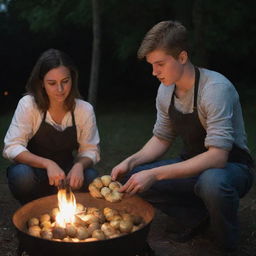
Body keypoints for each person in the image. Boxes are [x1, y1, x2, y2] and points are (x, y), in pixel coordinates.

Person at [111, 21, 254, 253]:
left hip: (232, 167)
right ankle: (197, 217)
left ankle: (227, 242)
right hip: (192, 162)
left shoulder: (215, 89)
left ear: (182, 57)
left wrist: (155, 174)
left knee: (212, 182)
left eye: (160, 64)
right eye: (151, 65)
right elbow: (161, 138)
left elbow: (217, 157)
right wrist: (131, 162)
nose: (154, 72)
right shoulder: (165, 90)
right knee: (133, 180)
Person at [3, 48, 100, 204]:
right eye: (52, 83)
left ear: (72, 79)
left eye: (65, 81)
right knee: (21, 175)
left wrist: (79, 166)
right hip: (35, 173)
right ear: (41, 83)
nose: (60, 89)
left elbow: (90, 149)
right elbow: (12, 147)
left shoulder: (84, 109)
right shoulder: (29, 105)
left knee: (91, 177)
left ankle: (71, 205)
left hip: (66, 174)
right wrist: (47, 164)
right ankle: (31, 206)